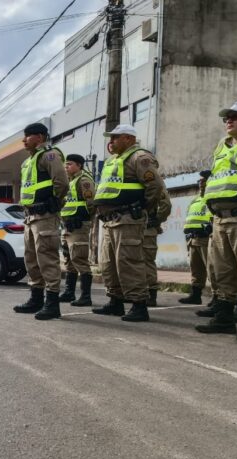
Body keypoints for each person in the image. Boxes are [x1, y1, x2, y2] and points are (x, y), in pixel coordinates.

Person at [196, 100, 237, 343]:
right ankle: (224, 317)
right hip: (221, 220)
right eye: (226, 118)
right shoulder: (222, 147)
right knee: (222, 272)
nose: (229, 121)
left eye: (235, 116)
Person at [91, 124, 164, 322]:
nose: (111, 141)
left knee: (129, 263)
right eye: (110, 138)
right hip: (109, 221)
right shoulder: (113, 161)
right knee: (108, 264)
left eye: (115, 137)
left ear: (128, 139)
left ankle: (139, 305)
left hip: (128, 219)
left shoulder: (139, 157)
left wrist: (141, 209)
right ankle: (115, 302)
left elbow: (155, 187)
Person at [13, 123, 68, 320]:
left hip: (45, 216)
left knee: (47, 258)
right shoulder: (29, 161)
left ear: (40, 137)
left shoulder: (50, 155)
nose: (24, 139)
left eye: (28, 136)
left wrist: (54, 203)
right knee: (32, 260)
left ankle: (52, 304)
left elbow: (61, 182)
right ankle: (35, 299)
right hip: (30, 217)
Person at [59, 154, 95, 306]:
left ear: (79, 165)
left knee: (79, 259)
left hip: (78, 225)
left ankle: (86, 297)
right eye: (65, 164)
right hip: (67, 226)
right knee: (69, 260)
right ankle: (69, 293)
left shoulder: (84, 180)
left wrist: (85, 219)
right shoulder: (70, 181)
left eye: (70, 164)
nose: (66, 167)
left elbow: (91, 203)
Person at [179, 174, 212, 304]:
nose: (201, 183)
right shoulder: (196, 199)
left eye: (204, 181)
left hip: (206, 238)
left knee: (212, 270)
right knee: (196, 269)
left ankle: (217, 298)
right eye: (200, 181)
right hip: (192, 239)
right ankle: (196, 295)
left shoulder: (211, 198)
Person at [143, 185, 172, 306]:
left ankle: (151, 295)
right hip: (131, 227)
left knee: (146, 261)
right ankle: (137, 294)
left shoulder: (153, 180)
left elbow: (166, 205)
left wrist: (156, 220)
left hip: (147, 229)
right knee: (132, 262)